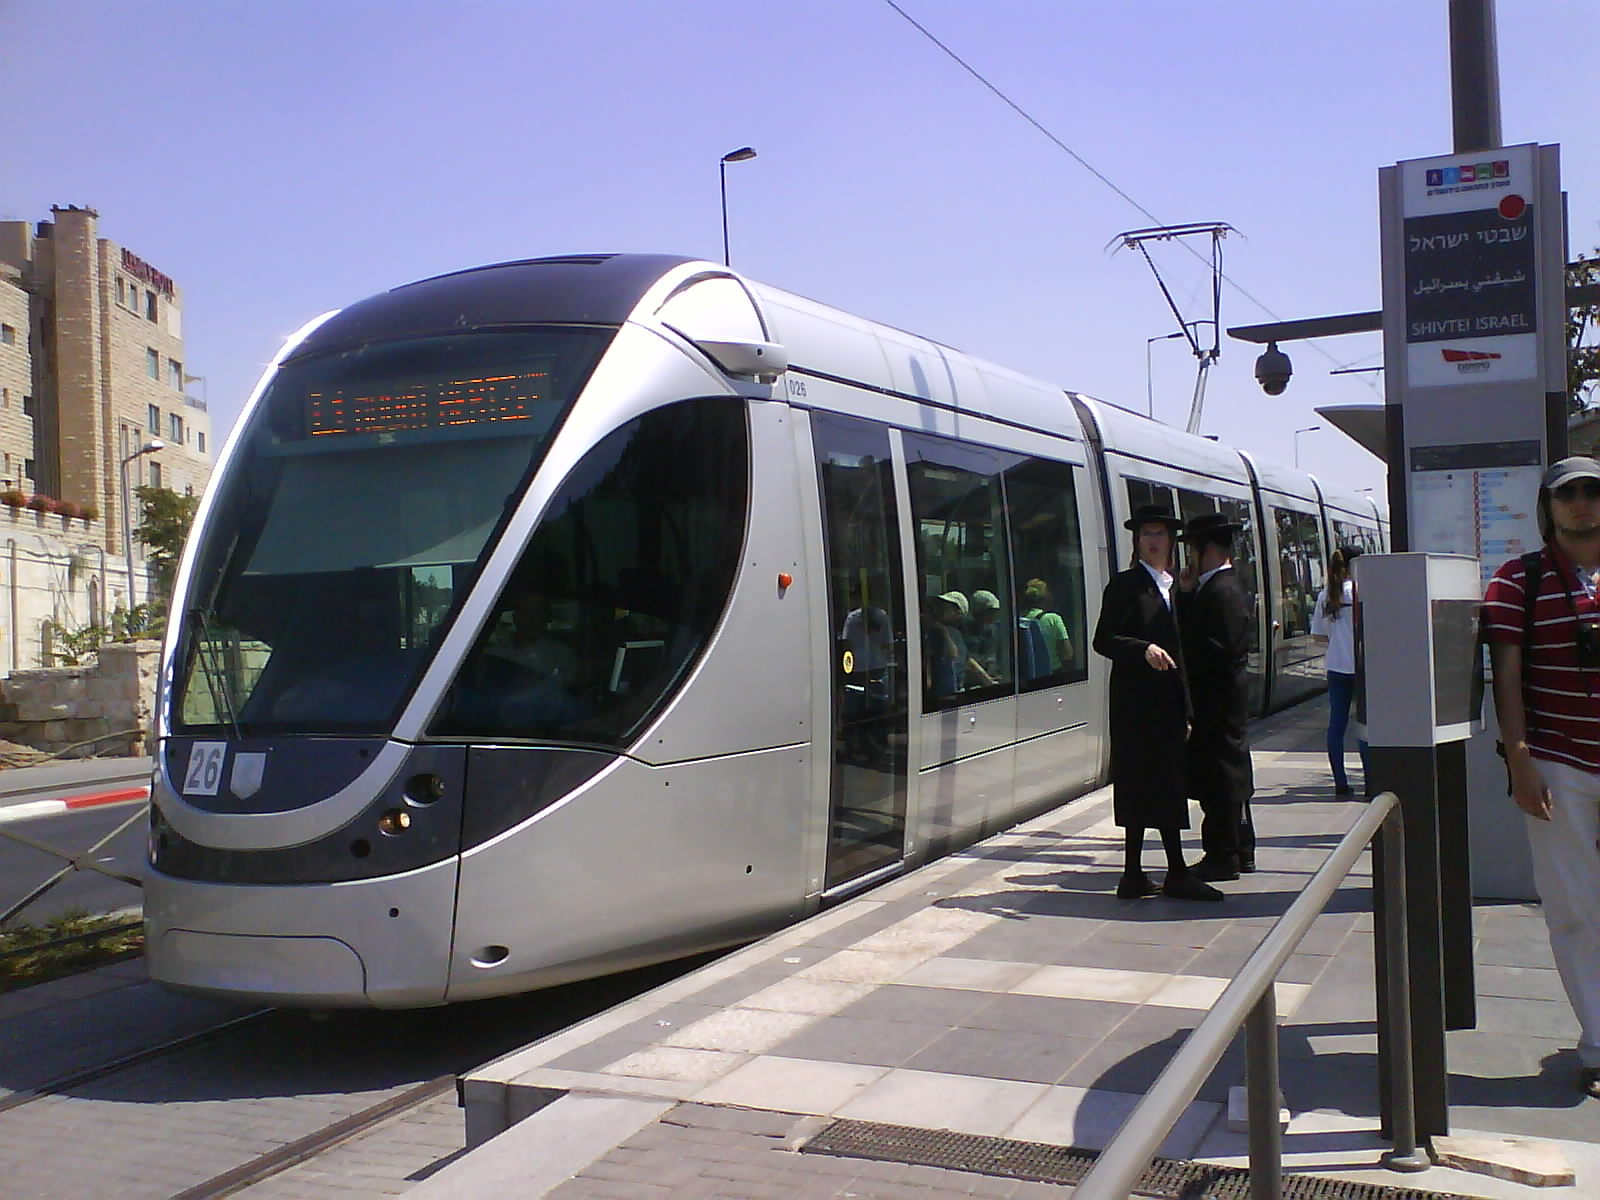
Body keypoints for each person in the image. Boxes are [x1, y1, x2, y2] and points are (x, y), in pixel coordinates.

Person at [1483, 456, 1600, 1100]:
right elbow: (1506, 676)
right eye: (1568, 494)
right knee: (1573, 908)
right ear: (1548, 506)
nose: (1582, 503)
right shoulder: (1518, 579)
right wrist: (1519, 758)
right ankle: (1598, 1045)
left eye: (1593, 492)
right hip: (1558, 760)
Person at [1092, 504, 1222, 902]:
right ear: (1137, 541)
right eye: (1146, 533)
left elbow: (1182, 650)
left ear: (1171, 541)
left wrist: (1187, 708)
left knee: (1166, 784)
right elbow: (1103, 639)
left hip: (1167, 704)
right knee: (1138, 784)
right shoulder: (1126, 585)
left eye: (1160, 533)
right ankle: (1149, 873)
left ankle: (1149, 874)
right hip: (1135, 705)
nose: (1153, 540)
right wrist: (1142, 648)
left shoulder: (1173, 588)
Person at [1177, 511, 1256, 881]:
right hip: (1224, 697)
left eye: (1191, 549)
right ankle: (1240, 848)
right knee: (1227, 770)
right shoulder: (1223, 586)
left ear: (1204, 549)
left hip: (1217, 699)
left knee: (1220, 775)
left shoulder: (1221, 590)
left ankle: (1222, 855)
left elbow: (1214, 648)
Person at [1310, 546, 1365, 796]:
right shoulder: (1362, 591)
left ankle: (1340, 783)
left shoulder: (1326, 595)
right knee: (1366, 726)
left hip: (1336, 667)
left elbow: (1317, 636)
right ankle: (1371, 780)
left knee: (1337, 725)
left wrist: (1337, 638)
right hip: (1363, 668)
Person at [1022, 578, 1073, 672]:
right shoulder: (1053, 619)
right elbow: (1067, 654)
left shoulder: (1021, 620)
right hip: (1053, 673)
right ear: (1046, 597)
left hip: (1029, 673)